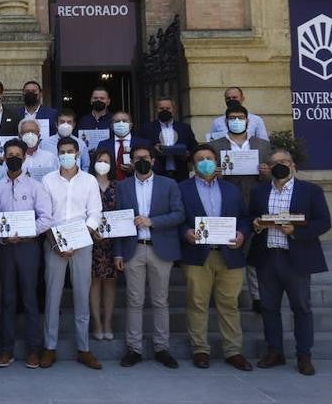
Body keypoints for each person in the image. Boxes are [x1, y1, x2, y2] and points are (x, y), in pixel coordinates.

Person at [249, 149, 332, 376]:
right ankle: (274, 351)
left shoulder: (310, 191)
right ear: (267, 167)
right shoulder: (259, 192)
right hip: (267, 257)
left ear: (293, 165)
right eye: (274, 163)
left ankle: (304, 354)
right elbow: (249, 218)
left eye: (284, 162)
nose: (279, 166)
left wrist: (295, 231)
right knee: (268, 308)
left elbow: (324, 222)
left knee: (301, 308)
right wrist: (255, 223)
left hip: (296, 258)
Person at [179, 145, 254, 371]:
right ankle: (200, 349)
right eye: (200, 159)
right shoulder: (182, 189)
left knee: (229, 305)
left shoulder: (231, 190)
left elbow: (245, 218)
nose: (205, 162)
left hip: (229, 255)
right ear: (193, 164)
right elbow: (176, 217)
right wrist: (185, 232)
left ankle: (233, 351)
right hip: (197, 255)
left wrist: (242, 233)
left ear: (216, 161)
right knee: (197, 304)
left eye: (209, 158)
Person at [114, 145, 184, 369]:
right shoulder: (122, 186)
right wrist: (117, 252)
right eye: (136, 158)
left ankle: (162, 347)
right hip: (133, 249)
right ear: (131, 162)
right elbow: (117, 219)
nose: (141, 161)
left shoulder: (169, 184)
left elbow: (179, 214)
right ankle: (134, 348)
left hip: (160, 248)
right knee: (134, 300)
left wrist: (153, 221)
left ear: (153, 161)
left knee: (160, 300)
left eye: (145, 158)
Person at [40, 137, 104, 369]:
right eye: (62, 151)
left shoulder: (89, 181)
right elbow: (45, 216)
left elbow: (95, 213)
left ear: (77, 154)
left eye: (70, 151)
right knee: (52, 296)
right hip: (54, 244)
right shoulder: (47, 180)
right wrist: (57, 244)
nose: (66, 155)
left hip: (82, 243)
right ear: (57, 154)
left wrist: (78, 238)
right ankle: (49, 347)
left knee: (81, 296)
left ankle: (84, 349)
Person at [0, 139, 52, 368]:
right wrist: (2, 237)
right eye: (9, 154)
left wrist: (27, 233)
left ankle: (34, 349)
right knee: (7, 298)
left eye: (17, 154)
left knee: (30, 298)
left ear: (24, 157)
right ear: (4, 158)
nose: (13, 158)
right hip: (5, 248)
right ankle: (6, 349)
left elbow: (46, 218)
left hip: (28, 247)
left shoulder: (36, 187)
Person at [212, 103, 273, 313]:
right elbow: (205, 173)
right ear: (226, 120)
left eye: (240, 117)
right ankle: (230, 296)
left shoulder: (262, 145)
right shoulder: (216, 145)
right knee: (230, 246)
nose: (236, 121)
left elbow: (272, 177)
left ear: (247, 121)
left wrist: (267, 172)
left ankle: (257, 296)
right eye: (232, 117)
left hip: (255, 200)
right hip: (227, 201)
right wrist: (215, 173)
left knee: (255, 250)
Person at [88, 149, 118, 342]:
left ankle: (108, 322)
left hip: (113, 243)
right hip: (91, 240)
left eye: (106, 161)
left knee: (110, 284)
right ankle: (97, 323)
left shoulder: (118, 187)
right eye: (99, 160)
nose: (102, 164)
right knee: (94, 283)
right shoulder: (88, 184)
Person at [137, 98, 199, 181]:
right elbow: (139, 148)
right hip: (156, 173)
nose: (164, 111)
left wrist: (187, 155)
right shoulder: (146, 128)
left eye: (168, 108)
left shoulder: (184, 128)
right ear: (156, 110)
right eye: (161, 108)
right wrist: (153, 149)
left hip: (181, 173)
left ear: (174, 110)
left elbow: (194, 148)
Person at [95, 111, 152, 180]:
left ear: (131, 125)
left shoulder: (144, 143)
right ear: (112, 126)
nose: (121, 124)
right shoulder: (103, 144)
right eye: (117, 121)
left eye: (124, 121)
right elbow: (96, 167)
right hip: (111, 185)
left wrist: (136, 167)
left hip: (136, 183)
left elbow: (153, 166)